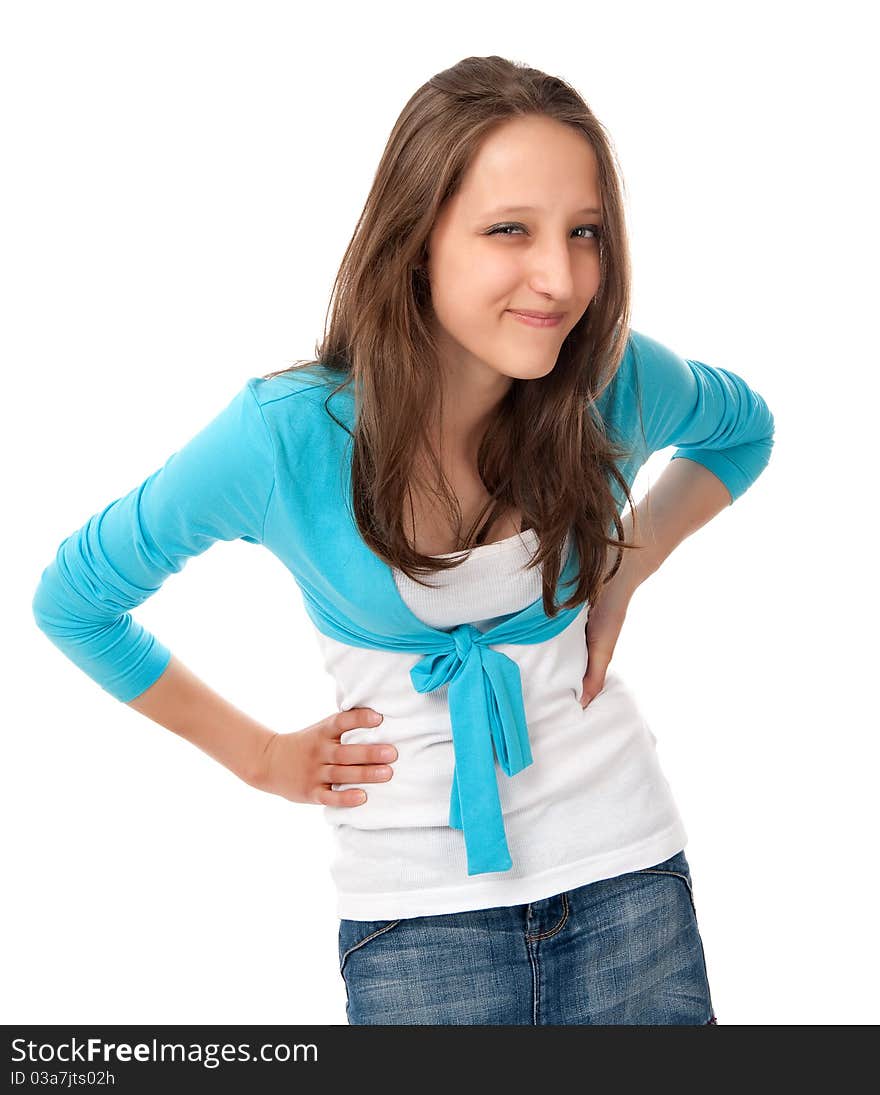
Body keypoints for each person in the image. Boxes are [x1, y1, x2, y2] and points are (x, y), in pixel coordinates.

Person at [32, 55, 774, 1025]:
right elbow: (75, 602)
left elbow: (742, 430)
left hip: (628, 878)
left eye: (583, 232)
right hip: (417, 925)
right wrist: (260, 758)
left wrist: (626, 566)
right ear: (417, 240)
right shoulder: (286, 436)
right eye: (510, 229)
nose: (559, 277)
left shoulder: (613, 383)